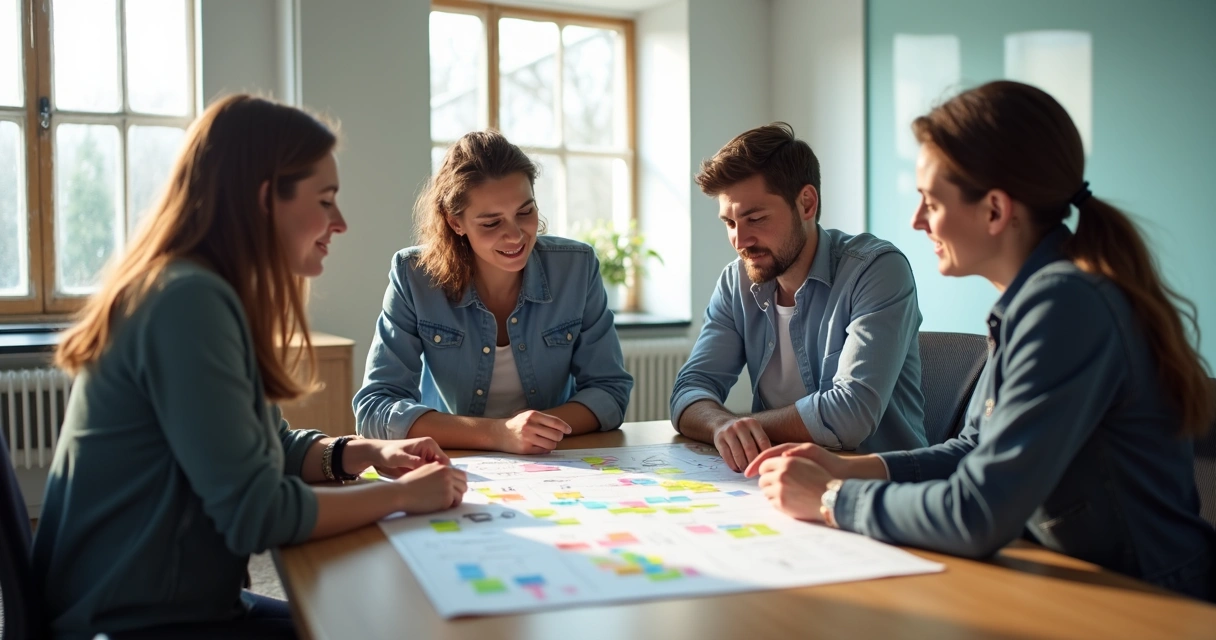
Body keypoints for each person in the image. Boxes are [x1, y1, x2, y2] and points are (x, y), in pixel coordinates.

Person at [748, 81, 1215, 601]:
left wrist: (835, 499)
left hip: (1152, 603)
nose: (916, 220)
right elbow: (974, 449)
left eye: (930, 201)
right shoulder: (1034, 298)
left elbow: (979, 512)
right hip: (1077, 585)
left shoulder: (1065, 305)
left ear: (994, 210)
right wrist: (854, 466)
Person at [34, 95, 468, 640]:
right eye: (326, 200)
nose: (341, 222)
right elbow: (258, 511)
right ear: (266, 201)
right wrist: (402, 496)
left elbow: (267, 445)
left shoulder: (195, 290)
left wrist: (369, 452)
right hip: (135, 621)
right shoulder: (188, 303)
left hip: (169, 600)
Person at [353, 130, 633, 454]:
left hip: (551, 460)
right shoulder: (414, 276)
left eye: (525, 212)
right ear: (455, 222)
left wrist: (532, 430)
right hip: (453, 460)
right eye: (491, 223)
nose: (515, 235)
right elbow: (375, 408)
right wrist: (499, 434)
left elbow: (610, 391)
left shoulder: (577, 267)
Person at [670, 123, 927, 472]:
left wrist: (751, 427)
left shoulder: (877, 270)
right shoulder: (737, 282)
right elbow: (689, 390)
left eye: (755, 218)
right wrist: (722, 425)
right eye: (729, 222)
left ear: (806, 203)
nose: (740, 240)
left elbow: (849, 415)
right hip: (780, 482)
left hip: (879, 490)